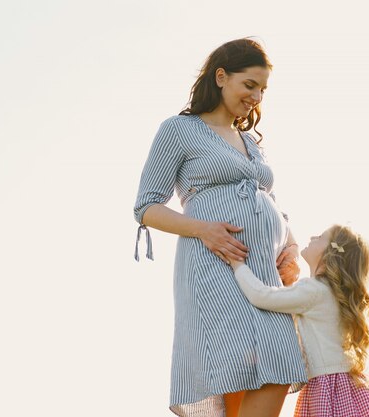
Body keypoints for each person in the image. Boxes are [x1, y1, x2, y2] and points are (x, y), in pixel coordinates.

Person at [133, 38, 307, 417]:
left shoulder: (249, 142)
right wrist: (203, 230)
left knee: (278, 359)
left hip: (265, 273)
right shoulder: (179, 130)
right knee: (234, 370)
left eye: (262, 89)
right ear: (222, 76)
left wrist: (290, 246)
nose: (256, 97)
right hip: (214, 266)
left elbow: (268, 202)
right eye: (250, 85)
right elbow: (146, 207)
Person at [225, 225, 369, 417]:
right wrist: (291, 285)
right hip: (351, 387)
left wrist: (237, 264)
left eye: (320, 236)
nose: (312, 236)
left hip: (329, 388)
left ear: (330, 253)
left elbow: (261, 296)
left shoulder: (314, 290)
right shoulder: (328, 292)